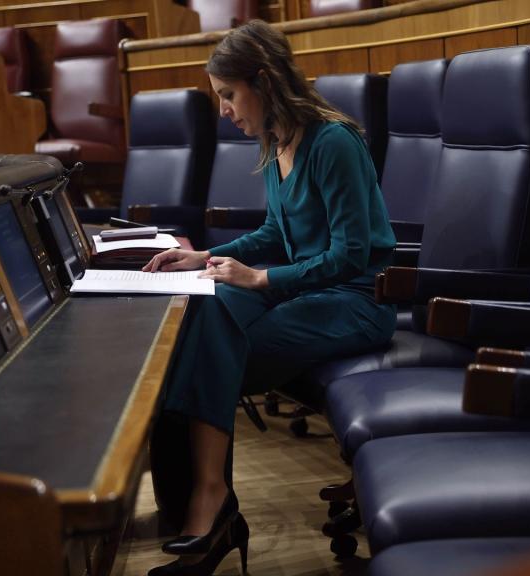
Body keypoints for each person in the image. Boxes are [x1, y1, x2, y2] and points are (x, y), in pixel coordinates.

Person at [143, 19, 396, 575]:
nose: (224, 110)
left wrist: (260, 280)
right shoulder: (277, 142)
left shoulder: (334, 142)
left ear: (263, 81)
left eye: (229, 95)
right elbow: (276, 235)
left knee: (212, 349)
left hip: (356, 301)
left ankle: (209, 505)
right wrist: (205, 258)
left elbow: (351, 255)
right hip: (306, 289)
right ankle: (209, 502)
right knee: (207, 308)